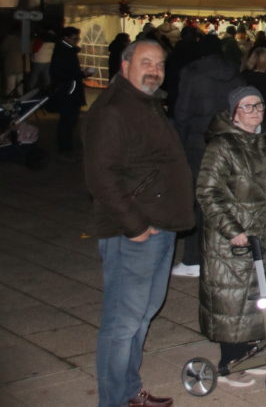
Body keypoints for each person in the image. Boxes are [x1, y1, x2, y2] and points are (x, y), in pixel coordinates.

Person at [83, 39, 194, 407]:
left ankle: (129, 392)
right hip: (133, 233)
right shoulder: (113, 109)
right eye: (146, 62)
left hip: (158, 225)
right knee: (122, 323)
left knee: (142, 316)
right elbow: (100, 176)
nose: (154, 71)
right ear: (124, 65)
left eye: (159, 64)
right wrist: (136, 226)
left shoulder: (145, 103)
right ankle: (114, 400)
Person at [196, 86, 266, 381]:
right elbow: (207, 191)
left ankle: (251, 349)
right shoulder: (221, 146)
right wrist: (232, 230)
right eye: (247, 106)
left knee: (258, 295)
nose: (255, 111)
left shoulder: (264, 142)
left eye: (259, 105)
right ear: (234, 113)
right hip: (232, 240)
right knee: (233, 300)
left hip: (261, 235)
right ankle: (229, 360)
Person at [171, 33, 244, 277]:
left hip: (198, 143)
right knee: (224, 197)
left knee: (199, 199)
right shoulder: (235, 73)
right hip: (228, 141)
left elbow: (182, 112)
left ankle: (194, 258)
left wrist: (179, 143)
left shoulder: (193, 73)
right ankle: (222, 252)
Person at [49, 26, 88, 161]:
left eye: (77, 38)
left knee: (71, 121)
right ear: (66, 38)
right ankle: (64, 150)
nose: (77, 40)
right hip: (68, 92)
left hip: (71, 90)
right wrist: (80, 75)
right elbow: (60, 73)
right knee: (67, 121)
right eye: (74, 38)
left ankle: (68, 148)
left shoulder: (68, 50)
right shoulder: (63, 51)